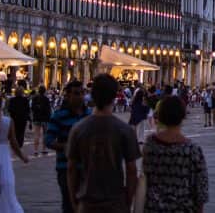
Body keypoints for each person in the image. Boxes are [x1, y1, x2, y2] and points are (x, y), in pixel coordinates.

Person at [66, 74, 140, 213]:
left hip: (87, 201)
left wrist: (74, 201)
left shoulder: (78, 129)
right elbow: (132, 170)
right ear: (114, 96)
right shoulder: (125, 130)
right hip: (115, 201)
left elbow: (71, 168)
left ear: (92, 95)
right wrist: (128, 201)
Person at [142, 97, 208, 213]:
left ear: (160, 116)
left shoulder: (150, 145)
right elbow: (200, 192)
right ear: (183, 117)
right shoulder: (192, 150)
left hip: (153, 208)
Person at [45, 80, 90, 213]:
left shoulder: (89, 115)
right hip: (65, 167)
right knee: (69, 204)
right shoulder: (59, 116)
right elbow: (48, 140)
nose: (80, 96)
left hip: (88, 167)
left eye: (82, 93)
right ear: (68, 96)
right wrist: (66, 147)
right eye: (76, 93)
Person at [30, 86, 52, 157]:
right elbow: (48, 110)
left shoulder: (34, 98)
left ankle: (35, 150)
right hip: (45, 119)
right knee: (45, 134)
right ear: (44, 91)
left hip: (37, 118)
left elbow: (32, 108)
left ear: (38, 91)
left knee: (37, 134)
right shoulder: (46, 99)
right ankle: (44, 149)